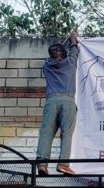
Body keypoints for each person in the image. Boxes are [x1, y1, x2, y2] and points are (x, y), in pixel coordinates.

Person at [35, 31, 79, 176]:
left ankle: (42, 163)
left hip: (51, 100)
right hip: (68, 101)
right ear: (63, 53)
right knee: (67, 134)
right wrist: (73, 39)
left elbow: (59, 56)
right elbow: (74, 49)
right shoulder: (70, 62)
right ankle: (63, 164)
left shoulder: (46, 65)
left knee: (46, 132)